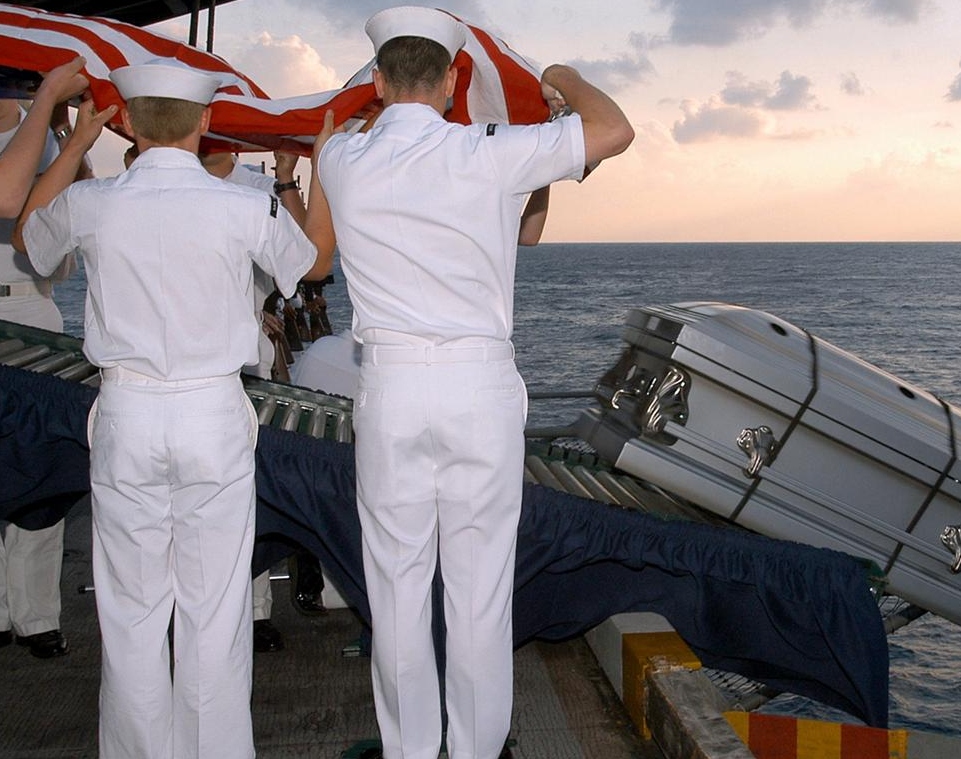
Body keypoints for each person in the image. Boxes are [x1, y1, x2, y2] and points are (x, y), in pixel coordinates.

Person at [305, 7, 633, 759]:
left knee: (395, 589)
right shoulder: (490, 153)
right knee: (480, 592)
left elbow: (317, 252)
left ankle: (410, 750)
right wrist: (560, 80)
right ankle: (479, 749)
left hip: (389, 390)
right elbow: (611, 132)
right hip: (476, 388)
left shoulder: (342, 160)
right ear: (453, 82)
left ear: (381, 81)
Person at [13, 59, 332, 759]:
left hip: (127, 412)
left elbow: (27, 240)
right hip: (212, 413)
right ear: (207, 121)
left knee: (130, 611)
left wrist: (73, 144)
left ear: (123, 122)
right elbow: (309, 264)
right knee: (214, 610)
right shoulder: (246, 206)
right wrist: (312, 165)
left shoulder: (95, 204)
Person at [198, 147, 313, 652]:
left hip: (249, 356)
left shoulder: (262, 188)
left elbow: (306, 255)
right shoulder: (164, 178)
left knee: (251, 490)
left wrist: (288, 179)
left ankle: (257, 608)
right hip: (188, 354)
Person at [0, 88, 83, 660]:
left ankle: (35, 616)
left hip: (31, 303)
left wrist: (68, 135)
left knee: (43, 460)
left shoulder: (46, 135)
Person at [0, 57, 88, 216]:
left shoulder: (49, 132)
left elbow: (86, 198)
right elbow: (6, 200)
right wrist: (49, 93)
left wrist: (62, 127)